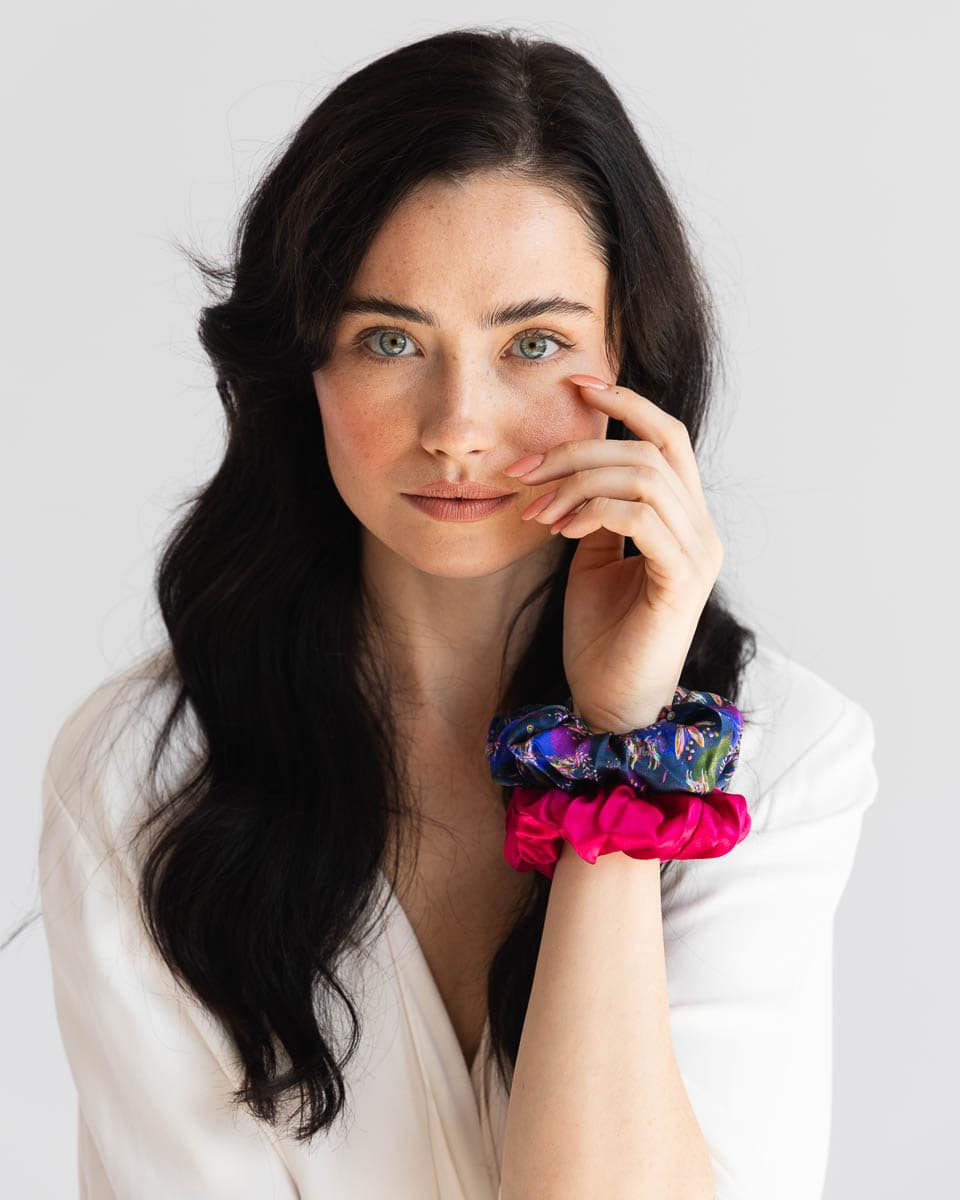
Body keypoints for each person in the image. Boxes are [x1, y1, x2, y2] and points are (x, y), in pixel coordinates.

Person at [36, 27, 879, 1199]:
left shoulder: (780, 757)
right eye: (389, 339)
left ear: (630, 357)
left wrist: (619, 748)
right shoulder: (145, 775)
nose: (458, 428)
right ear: (303, 364)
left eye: (533, 343)